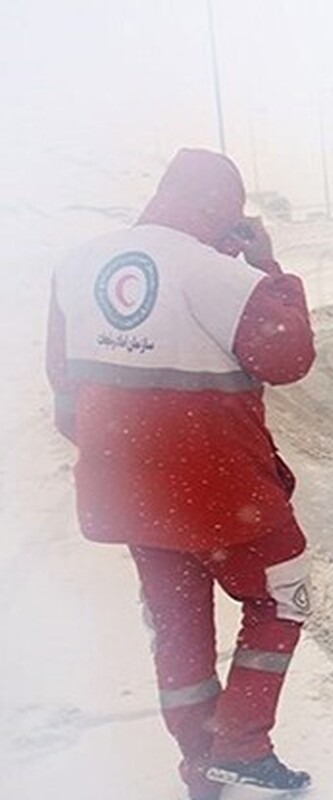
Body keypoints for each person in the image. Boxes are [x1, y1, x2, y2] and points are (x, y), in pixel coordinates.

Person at [45, 149, 317, 799]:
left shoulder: (75, 267)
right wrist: (268, 265)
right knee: (282, 593)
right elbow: (290, 356)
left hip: (130, 494)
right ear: (224, 209)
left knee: (177, 623)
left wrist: (133, 454)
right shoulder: (221, 276)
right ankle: (242, 745)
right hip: (225, 493)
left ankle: (200, 764)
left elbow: (64, 399)